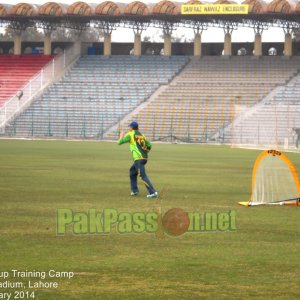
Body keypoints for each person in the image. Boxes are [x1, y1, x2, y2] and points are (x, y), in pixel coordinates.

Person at [117, 121, 158, 198]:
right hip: (144, 158)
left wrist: (121, 136)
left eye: (129, 127)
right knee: (132, 172)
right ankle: (134, 190)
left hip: (138, 158)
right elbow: (149, 145)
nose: (129, 128)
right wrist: (147, 150)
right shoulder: (142, 135)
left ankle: (153, 192)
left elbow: (119, 143)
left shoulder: (130, 134)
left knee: (143, 176)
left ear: (132, 127)